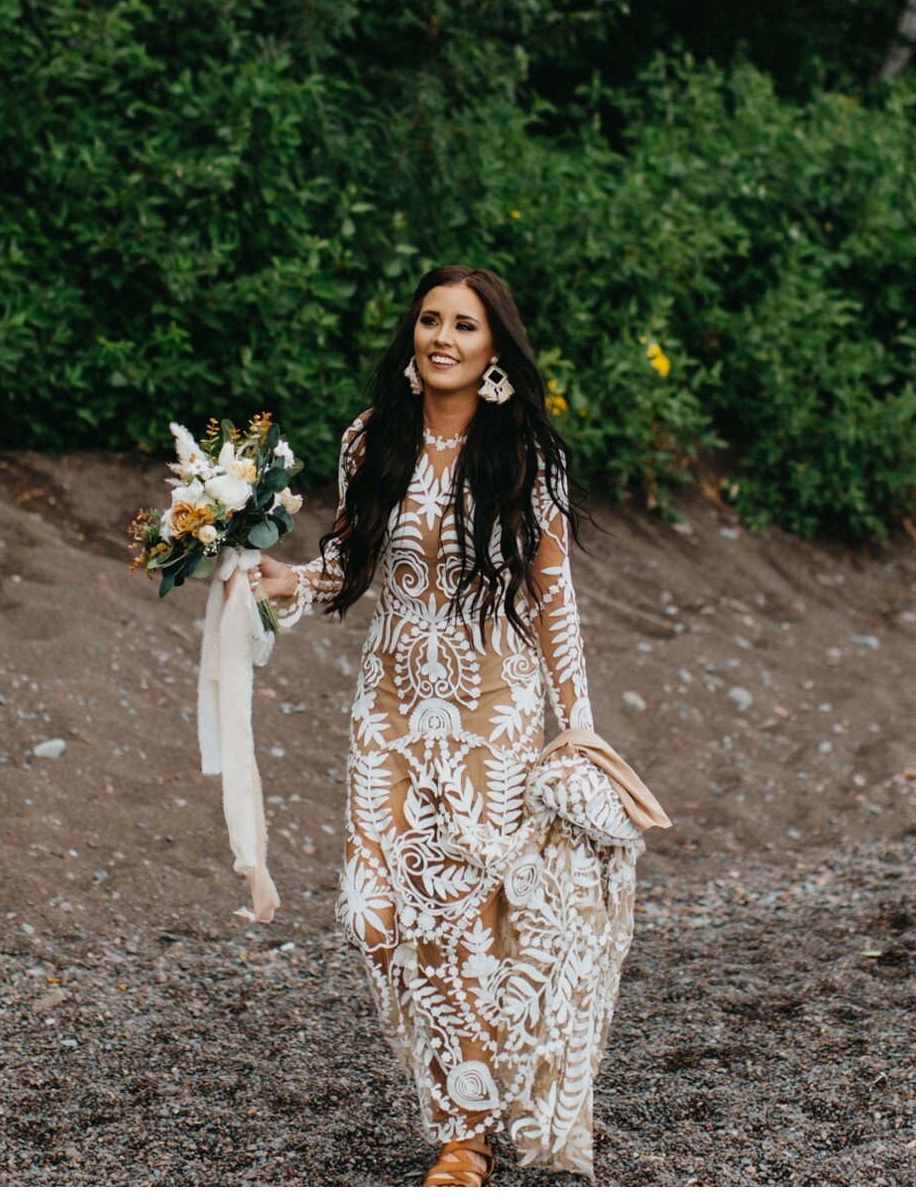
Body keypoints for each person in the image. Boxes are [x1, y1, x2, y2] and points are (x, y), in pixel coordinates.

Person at [250, 264, 656, 1187]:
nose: (442, 338)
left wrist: (579, 727)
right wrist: (288, 585)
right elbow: (353, 563)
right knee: (372, 914)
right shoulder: (371, 441)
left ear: (493, 351)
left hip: (493, 718)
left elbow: (554, 599)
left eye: (464, 327)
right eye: (430, 321)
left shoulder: (526, 458)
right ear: (413, 342)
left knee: (464, 920)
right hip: (390, 715)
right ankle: (479, 1082)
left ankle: (463, 1134)